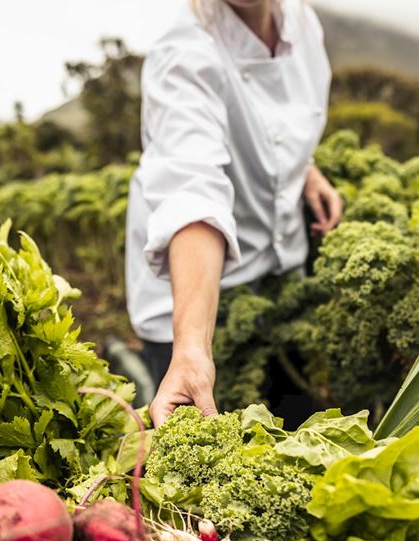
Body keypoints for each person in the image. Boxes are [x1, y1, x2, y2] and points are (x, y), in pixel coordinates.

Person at [125, 0, 343, 428]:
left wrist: (305, 168)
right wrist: (190, 348)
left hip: (275, 268)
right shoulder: (184, 54)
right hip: (192, 289)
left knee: (291, 413)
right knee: (214, 454)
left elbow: (279, 120)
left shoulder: (301, 22)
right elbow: (193, 193)